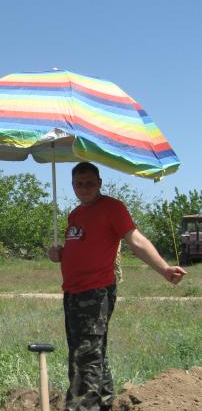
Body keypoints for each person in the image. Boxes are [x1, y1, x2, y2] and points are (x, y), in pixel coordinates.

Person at [48, 162, 186, 411]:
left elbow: (136, 239)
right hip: (73, 292)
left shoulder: (112, 208)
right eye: (79, 184)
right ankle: (105, 401)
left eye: (90, 183)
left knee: (85, 355)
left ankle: (82, 407)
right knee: (92, 350)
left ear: (99, 183)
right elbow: (82, 247)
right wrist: (59, 253)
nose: (85, 188)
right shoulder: (75, 214)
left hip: (94, 291)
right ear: (72, 186)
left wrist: (164, 269)